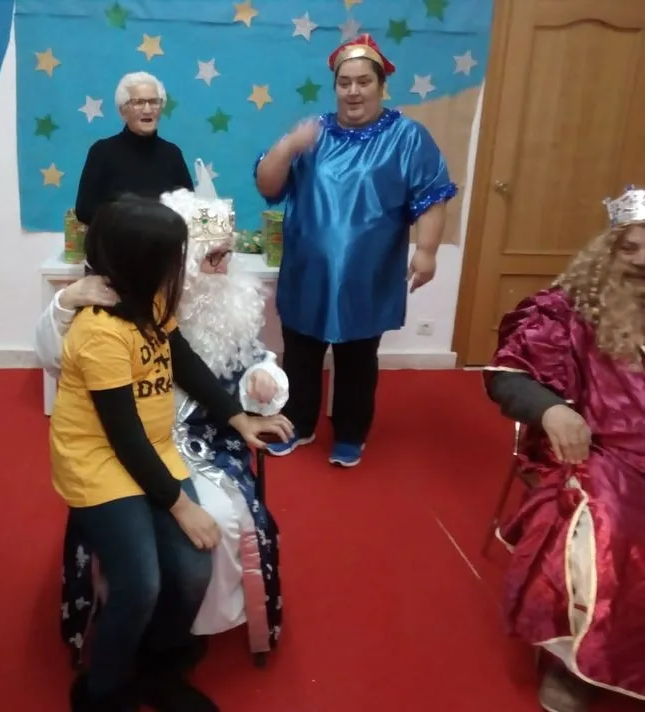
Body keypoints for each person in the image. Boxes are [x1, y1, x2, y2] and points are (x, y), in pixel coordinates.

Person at [49, 195, 291, 712]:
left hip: (153, 451)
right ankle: (101, 690)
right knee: (140, 583)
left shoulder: (152, 303)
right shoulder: (99, 332)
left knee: (193, 568)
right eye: (174, 260)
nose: (184, 269)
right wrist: (181, 506)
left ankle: (161, 669)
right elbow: (123, 436)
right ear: (144, 265)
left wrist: (237, 416)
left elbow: (183, 361)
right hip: (101, 465)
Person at [254, 33, 457, 466]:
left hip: (369, 272)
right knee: (301, 353)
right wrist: (288, 146)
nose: (353, 91)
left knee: (357, 357)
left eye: (363, 81)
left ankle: (350, 432)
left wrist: (427, 251)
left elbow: (432, 196)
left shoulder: (407, 137)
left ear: (381, 86)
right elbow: (268, 186)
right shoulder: (313, 134)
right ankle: (298, 423)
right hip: (308, 270)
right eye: (344, 82)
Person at [484, 186, 645, 712]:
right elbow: (507, 376)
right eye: (629, 247)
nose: (641, 261)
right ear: (607, 250)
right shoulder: (564, 311)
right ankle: (575, 663)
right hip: (600, 450)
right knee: (611, 527)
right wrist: (552, 411)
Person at [74, 71, 193, 225]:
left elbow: (189, 207)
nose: (148, 110)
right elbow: (85, 210)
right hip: (117, 239)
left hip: (164, 238)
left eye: (154, 102)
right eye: (139, 102)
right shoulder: (102, 152)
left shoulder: (172, 154)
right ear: (123, 110)